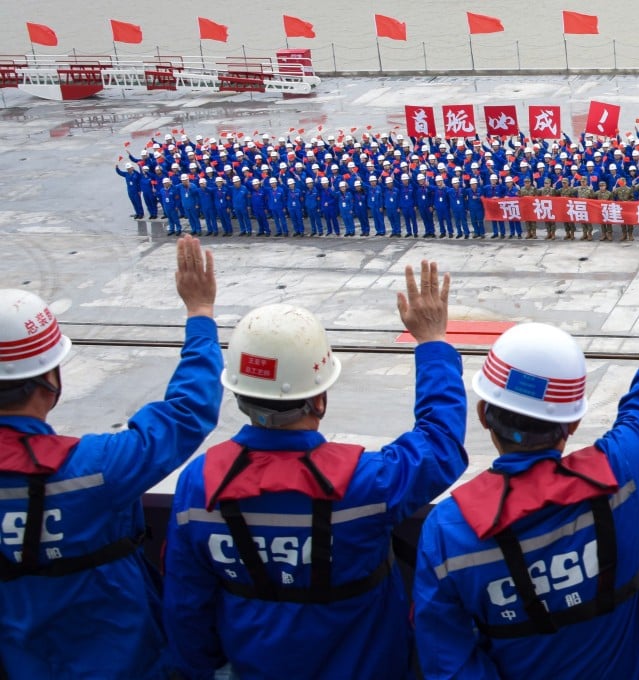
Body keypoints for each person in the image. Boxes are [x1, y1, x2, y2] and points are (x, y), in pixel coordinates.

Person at [414, 193, 639, 679]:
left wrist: (432, 345)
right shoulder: (617, 479)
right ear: (572, 422)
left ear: (483, 413)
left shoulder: (449, 533)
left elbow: (448, 666)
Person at [163, 261, 468, 680]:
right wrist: (433, 342)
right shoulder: (365, 484)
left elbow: (185, 606)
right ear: (319, 399)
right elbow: (439, 444)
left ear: (238, 396)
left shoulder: (199, 488)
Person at [0, 235, 221, 678]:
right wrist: (200, 315)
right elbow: (187, 413)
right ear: (50, 378)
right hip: (125, 660)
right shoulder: (95, 469)